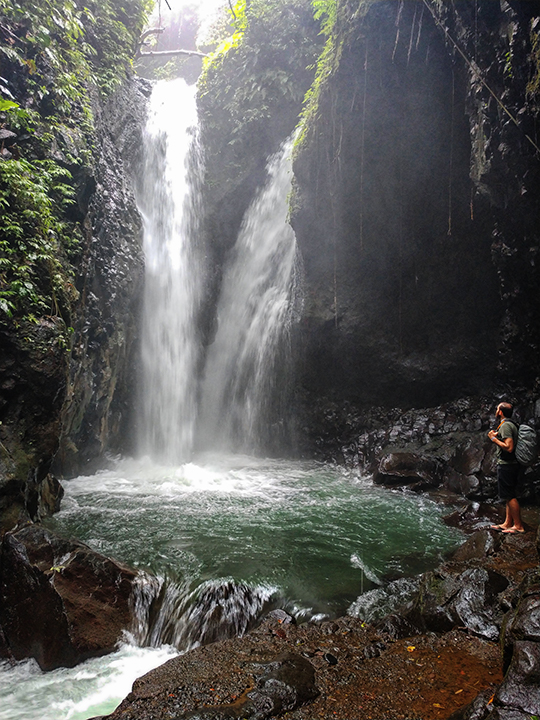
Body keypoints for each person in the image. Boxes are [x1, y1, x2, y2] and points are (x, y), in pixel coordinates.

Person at [488, 402, 525, 534]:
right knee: (508, 495)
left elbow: (509, 447)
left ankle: (518, 526)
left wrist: (493, 439)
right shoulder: (510, 424)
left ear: (500, 412)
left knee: (510, 496)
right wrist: (497, 435)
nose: (496, 410)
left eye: (497, 408)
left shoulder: (506, 426)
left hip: (507, 465)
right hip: (511, 464)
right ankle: (507, 523)